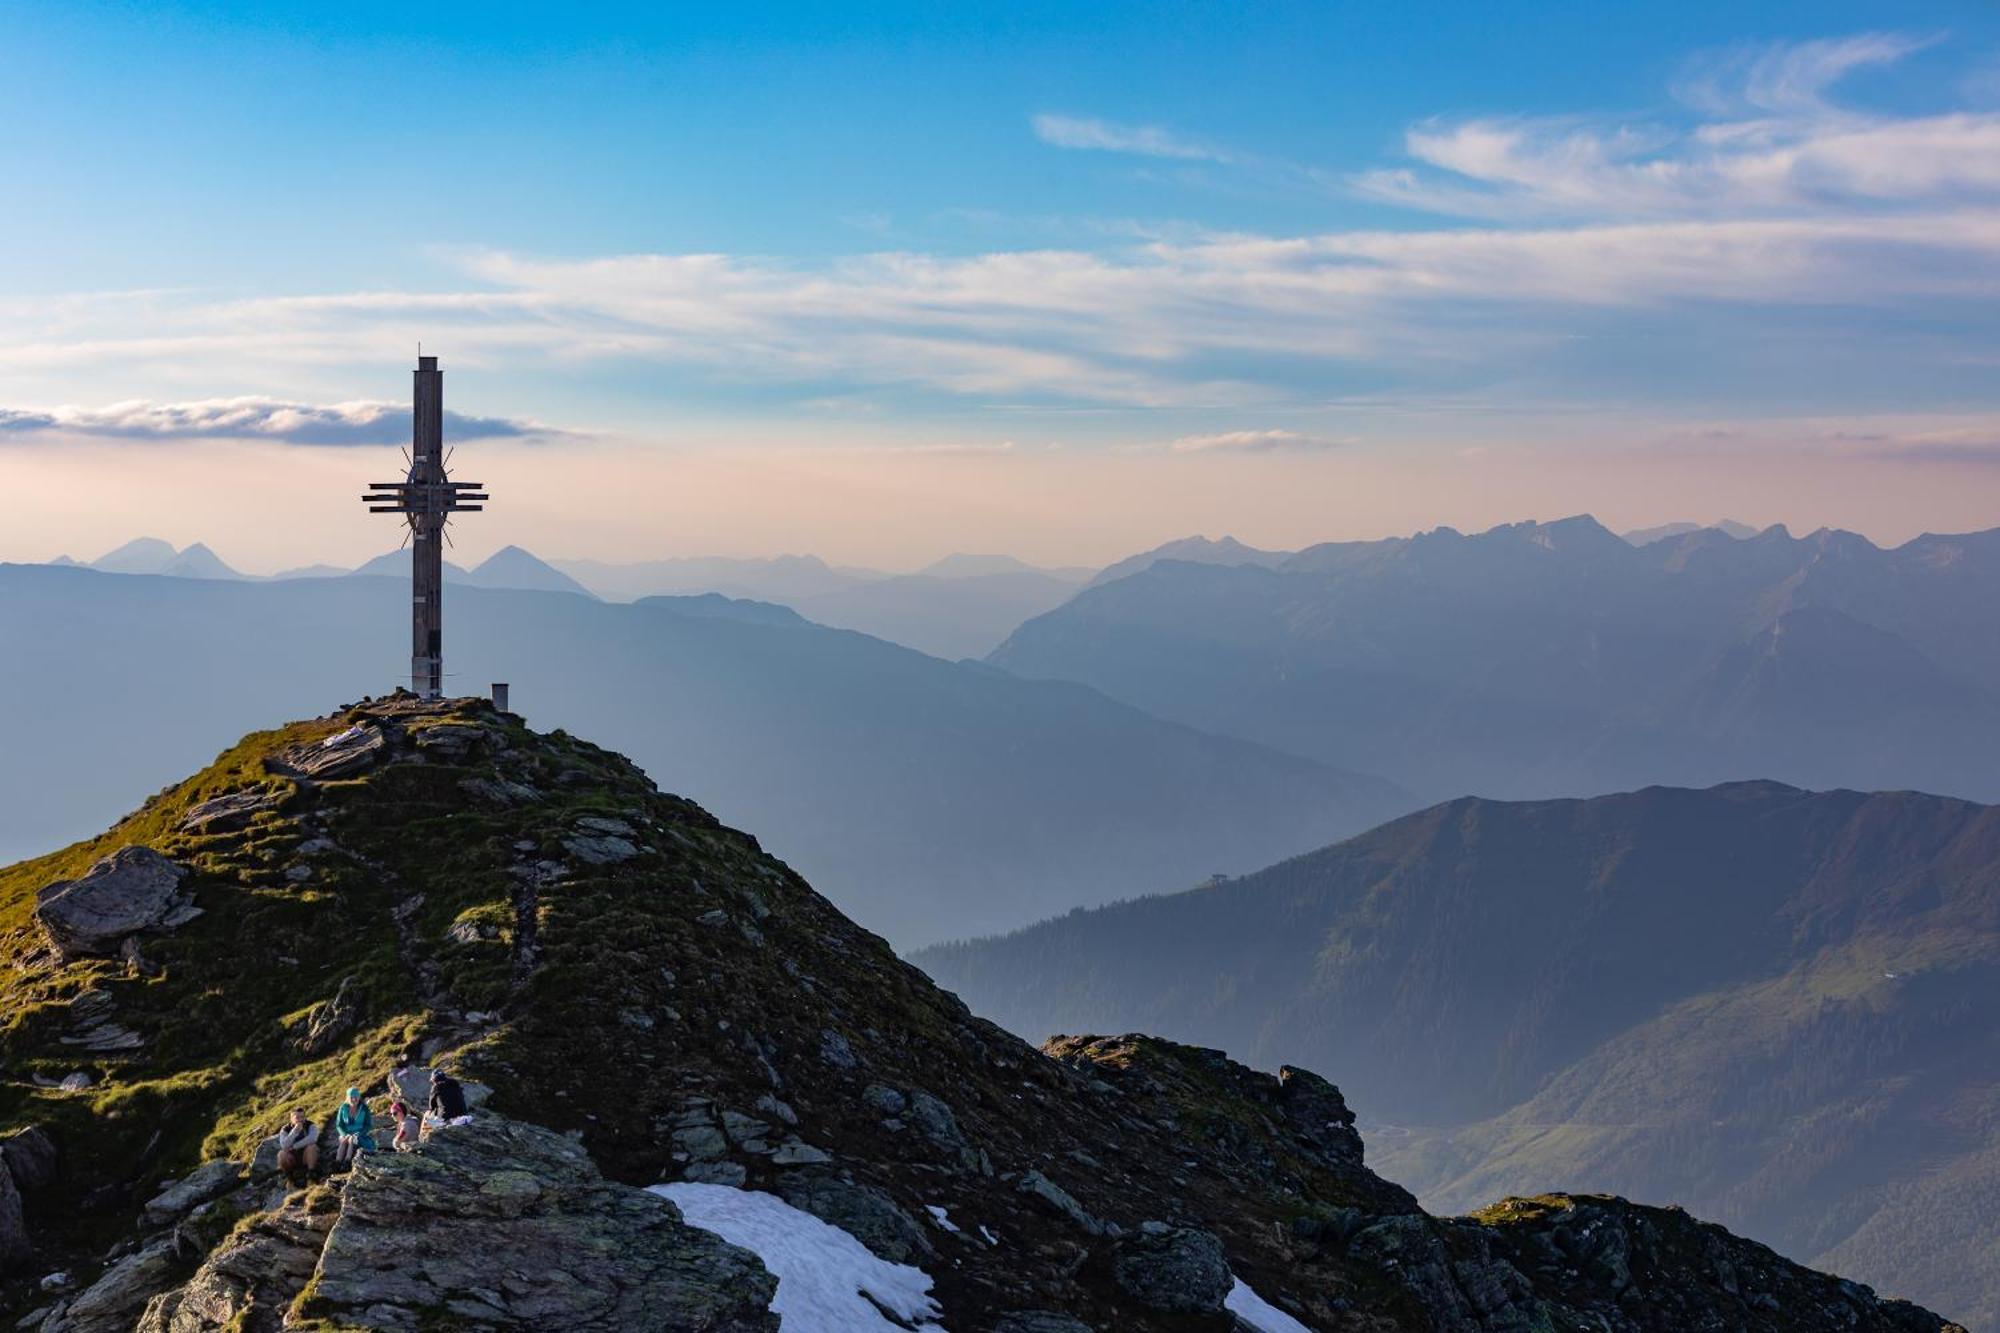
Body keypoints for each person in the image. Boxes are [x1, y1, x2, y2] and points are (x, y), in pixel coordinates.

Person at [274, 1108, 319, 1179]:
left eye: (302, 1117)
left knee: (312, 1147)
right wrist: (295, 1131)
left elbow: (313, 1138)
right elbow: (284, 1145)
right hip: (292, 1156)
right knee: (281, 1154)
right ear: (291, 1119)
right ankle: (288, 1176)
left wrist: (294, 1146)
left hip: (306, 1155)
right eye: (297, 1117)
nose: (300, 1119)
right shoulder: (285, 1129)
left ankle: (311, 1172)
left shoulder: (310, 1125)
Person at [333, 1088, 374, 1165]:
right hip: (346, 1133)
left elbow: (368, 1125)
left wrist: (359, 1133)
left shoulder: (364, 1108)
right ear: (348, 1098)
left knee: (352, 1139)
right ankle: (337, 1162)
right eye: (352, 1097)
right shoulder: (343, 1107)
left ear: (359, 1097)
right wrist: (344, 1134)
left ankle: (347, 1161)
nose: (354, 1099)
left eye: (356, 1097)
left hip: (359, 1133)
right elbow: (339, 1124)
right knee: (343, 1140)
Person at [425, 1070, 467, 1135]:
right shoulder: (455, 1084)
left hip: (446, 1119)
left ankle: (423, 1140)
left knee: (427, 1121)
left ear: (434, 1080)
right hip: (463, 1116)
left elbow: (431, 1107)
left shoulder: (436, 1088)